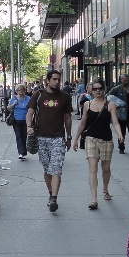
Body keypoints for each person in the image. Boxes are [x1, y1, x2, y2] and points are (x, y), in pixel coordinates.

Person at [26, 70, 73, 213]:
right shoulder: (38, 95)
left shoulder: (64, 96)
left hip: (58, 138)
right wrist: (29, 127)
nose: (57, 82)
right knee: (47, 169)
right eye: (54, 79)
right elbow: (30, 113)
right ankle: (50, 193)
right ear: (47, 80)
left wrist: (69, 137)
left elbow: (68, 118)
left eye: (59, 79)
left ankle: (54, 198)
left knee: (56, 168)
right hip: (41, 138)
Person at [72, 78, 123, 209]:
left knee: (105, 168)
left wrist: (120, 134)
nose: (98, 91)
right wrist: (76, 139)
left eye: (100, 88)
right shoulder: (87, 104)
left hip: (106, 139)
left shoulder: (110, 105)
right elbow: (82, 123)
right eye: (95, 89)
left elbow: (115, 122)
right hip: (91, 139)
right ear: (91, 90)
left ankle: (105, 189)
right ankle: (94, 199)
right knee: (93, 167)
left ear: (104, 89)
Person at [7, 84, 31, 160]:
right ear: (16, 91)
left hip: (26, 120)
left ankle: (24, 152)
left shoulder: (28, 98)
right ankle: (21, 152)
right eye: (19, 90)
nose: (21, 91)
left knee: (24, 136)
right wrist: (13, 104)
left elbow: (31, 108)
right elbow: (8, 108)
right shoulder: (14, 98)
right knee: (18, 136)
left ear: (24, 90)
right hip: (16, 120)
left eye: (22, 90)